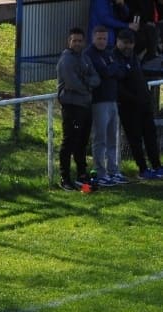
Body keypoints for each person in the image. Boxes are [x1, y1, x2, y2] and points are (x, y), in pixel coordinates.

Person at [112, 28, 163, 179]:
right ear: (118, 41)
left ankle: (156, 166)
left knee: (150, 135)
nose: (128, 46)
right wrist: (133, 99)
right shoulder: (114, 58)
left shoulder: (133, 57)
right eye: (125, 43)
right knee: (135, 138)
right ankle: (143, 169)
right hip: (128, 106)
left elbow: (140, 75)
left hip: (144, 104)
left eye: (131, 43)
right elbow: (118, 85)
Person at [56, 28, 101, 190]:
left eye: (79, 41)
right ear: (69, 42)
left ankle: (82, 174)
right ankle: (65, 178)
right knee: (69, 141)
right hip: (72, 106)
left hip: (85, 106)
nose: (77, 43)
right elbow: (72, 83)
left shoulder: (85, 58)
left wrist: (86, 82)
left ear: (84, 42)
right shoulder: (66, 60)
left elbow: (96, 78)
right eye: (74, 41)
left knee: (82, 142)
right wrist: (87, 85)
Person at [85, 25, 130, 184]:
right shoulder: (89, 54)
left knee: (112, 138)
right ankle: (100, 172)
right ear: (93, 38)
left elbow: (120, 72)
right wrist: (112, 69)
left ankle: (113, 171)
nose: (102, 41)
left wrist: (111, 69)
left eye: (104, 38)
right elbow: (104, 72)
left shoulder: (109, 53)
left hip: (112, 100)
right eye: (99, 38)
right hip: (99, 101)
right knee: (100, 138)